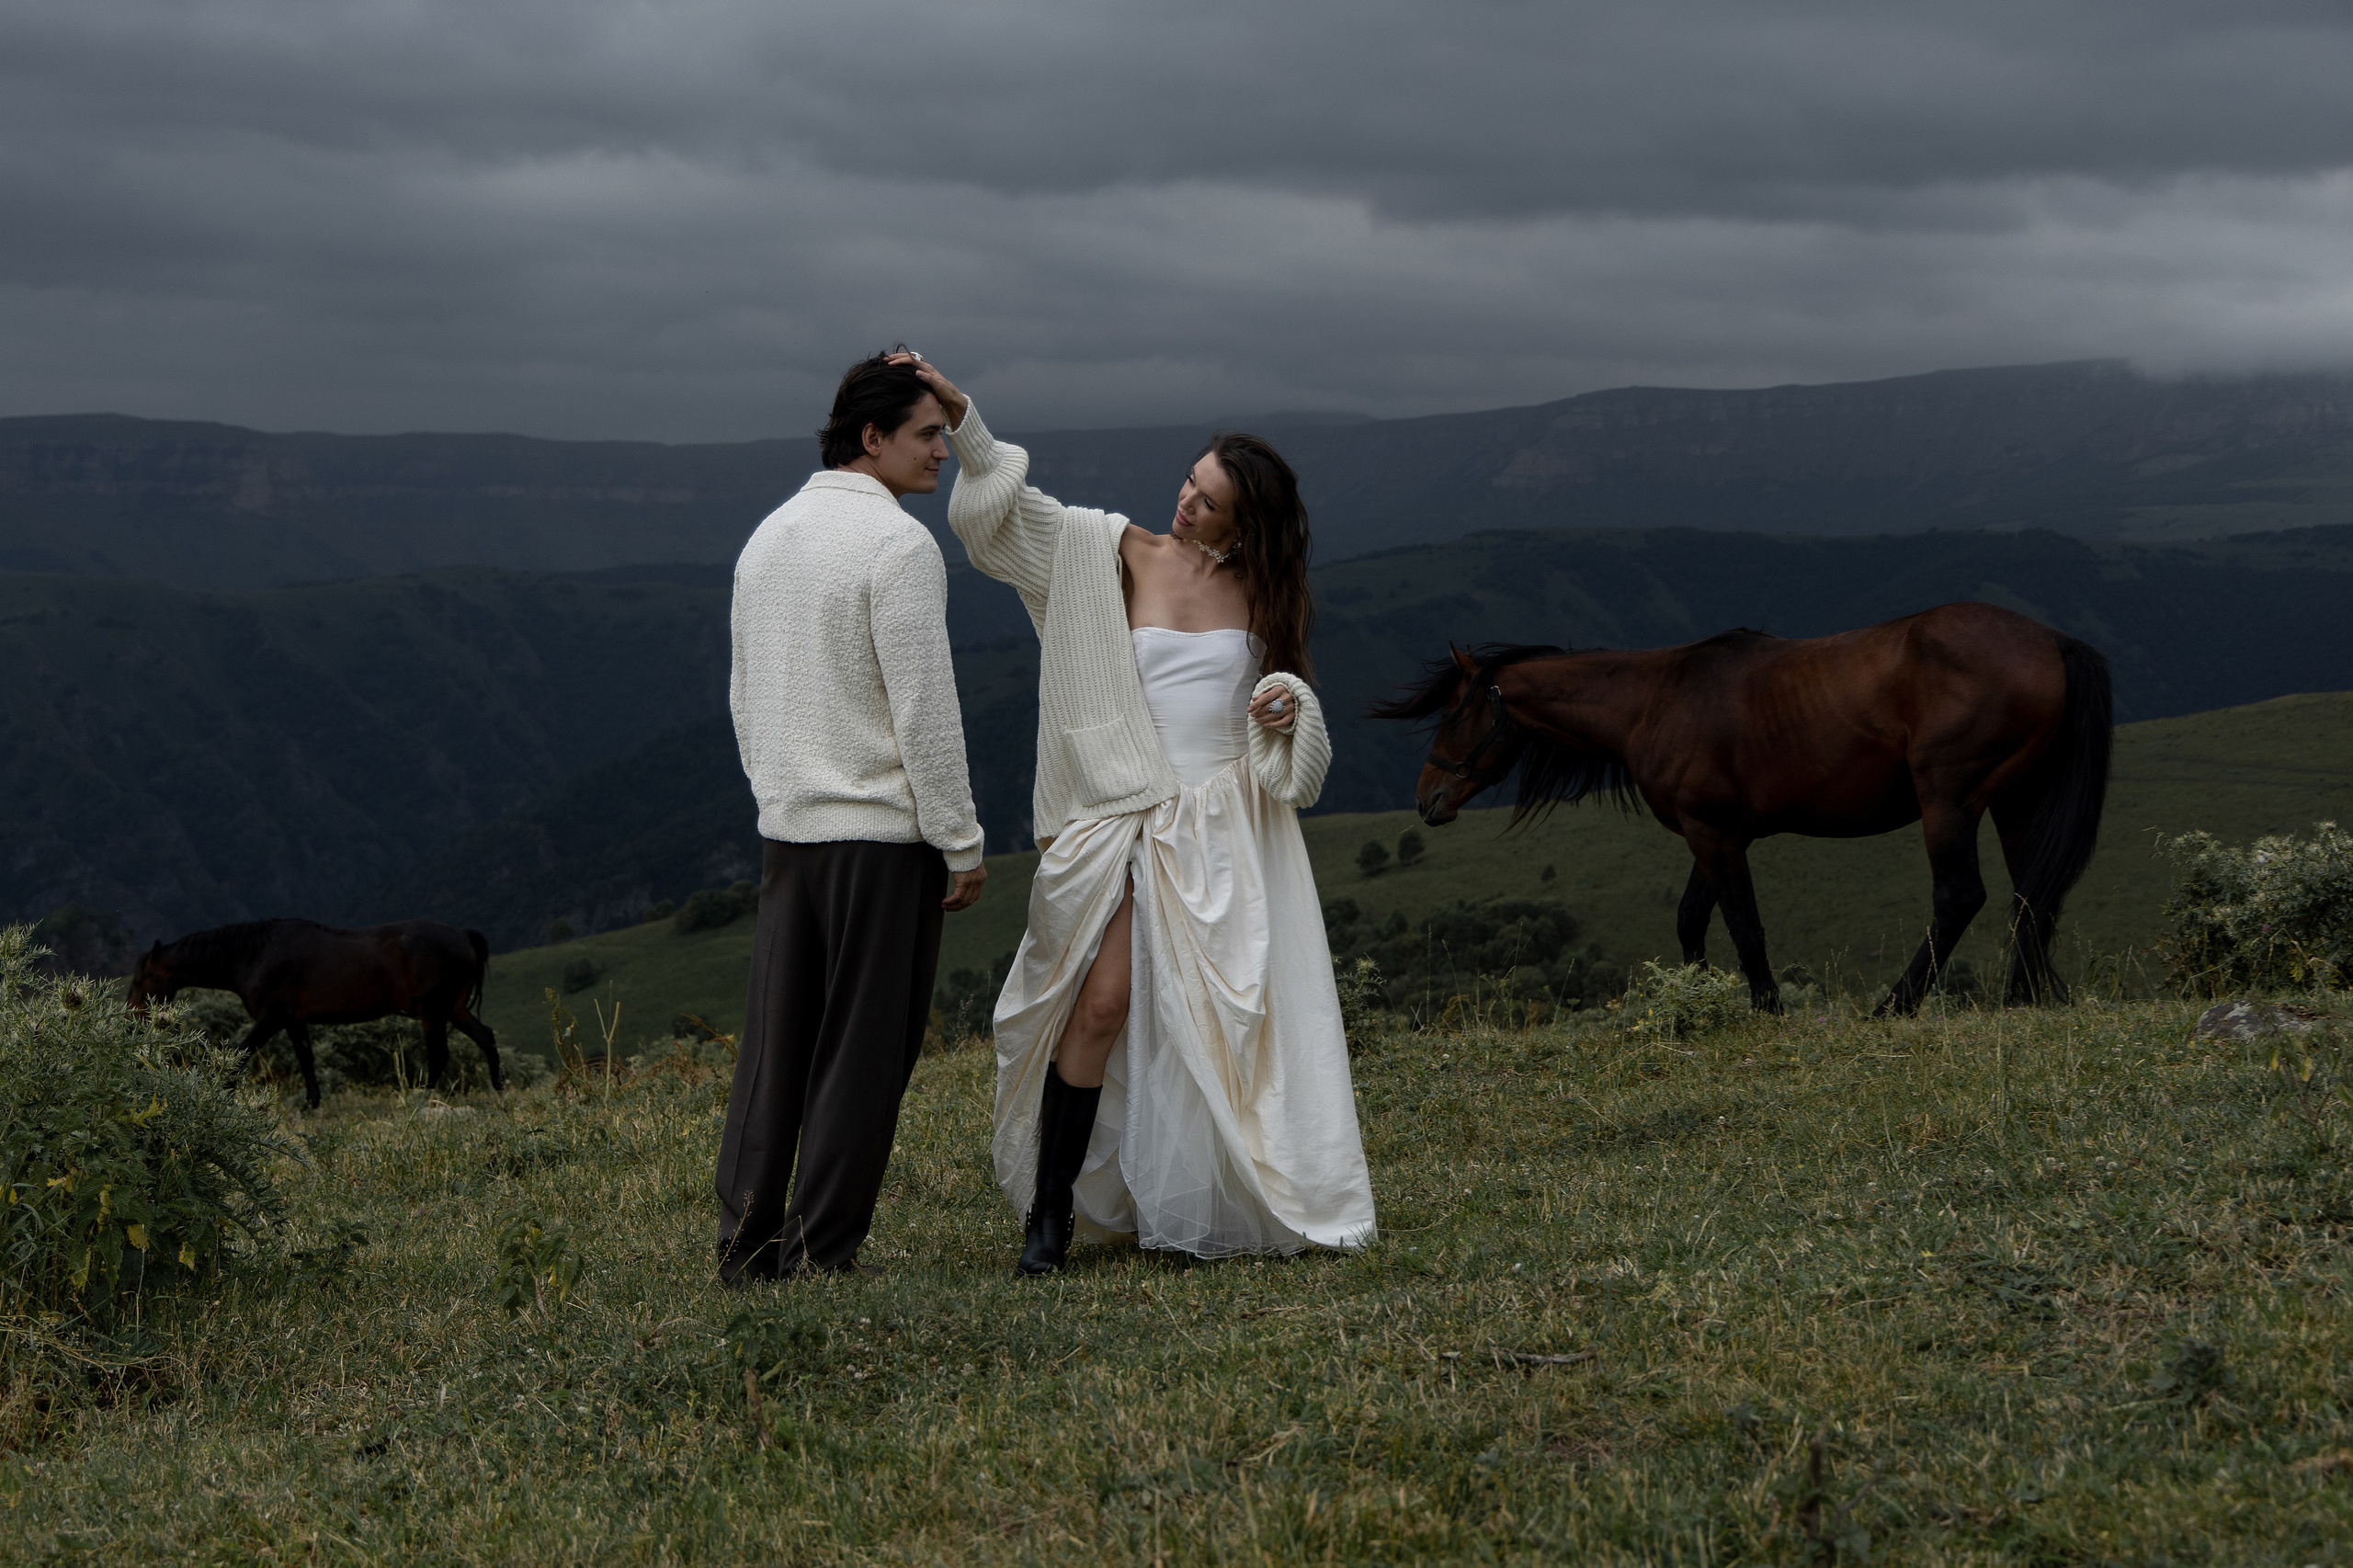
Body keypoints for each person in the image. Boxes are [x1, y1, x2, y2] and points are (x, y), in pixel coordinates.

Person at [915, 353, 1376, 1272]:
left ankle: (1220, 1185)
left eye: (1207, 501)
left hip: (1225, 828)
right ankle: (1049, 1214)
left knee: (1218, 1020)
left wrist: (1283, 704)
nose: (1185, 504)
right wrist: (965, 421)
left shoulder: (1267, 595)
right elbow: (994, 523)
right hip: (1128, 810)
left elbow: (1291, 730)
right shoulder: (1110, 549)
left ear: (1248, 524)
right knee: (1104, 1002)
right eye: (1188, 483)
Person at [713, 348, 988, 1284]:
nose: (941, 451)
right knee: (862, 1058)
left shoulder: (768, 535)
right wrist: (961, 841)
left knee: (774, 1053)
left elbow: (745, 691)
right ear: (870, 438)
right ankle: (822, 1254)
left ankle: (745, 1248)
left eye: (944, 434)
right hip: (878, 841)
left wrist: (775, 795)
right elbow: (925, 711)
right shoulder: (899, 547)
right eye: (925, 434)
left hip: (789, 835)